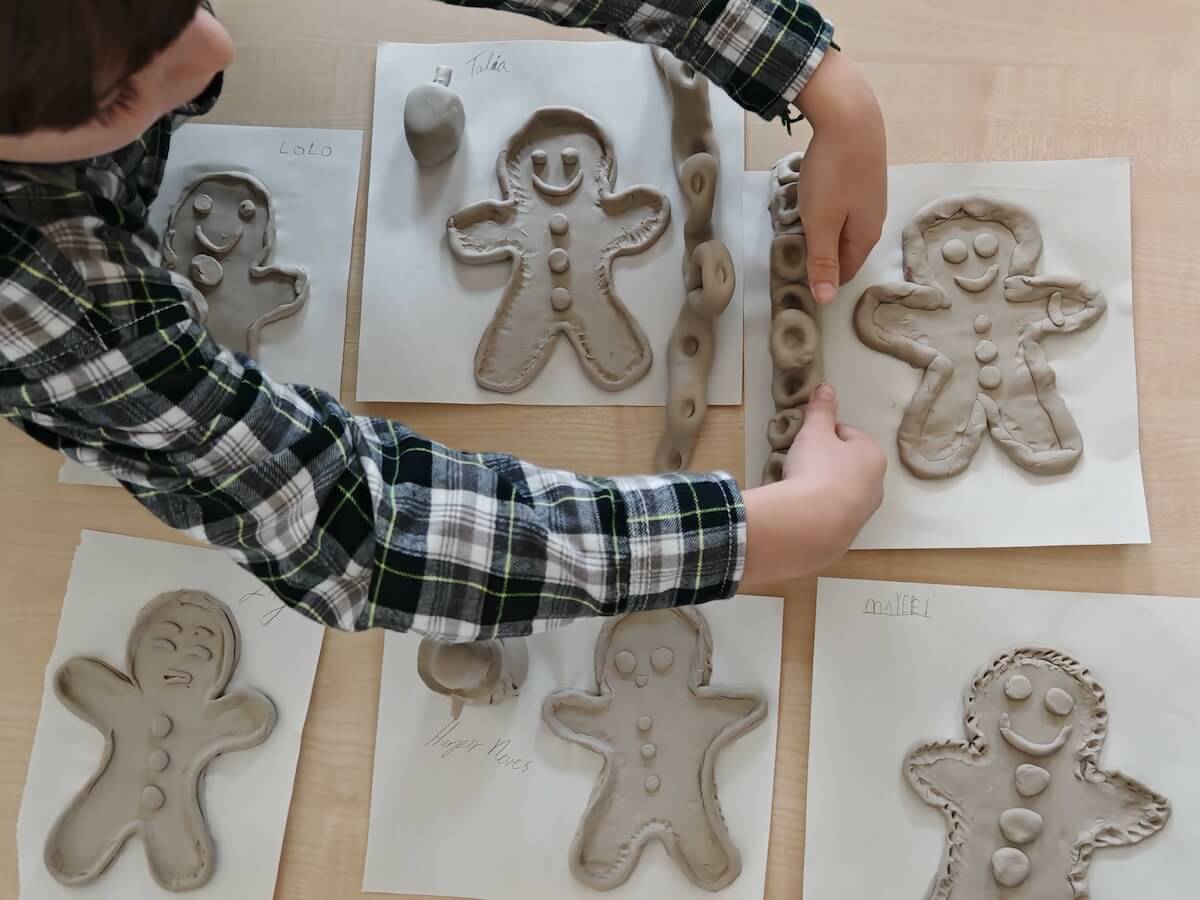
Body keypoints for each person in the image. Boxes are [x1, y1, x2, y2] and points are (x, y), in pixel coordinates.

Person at [0, 1, 886, 639]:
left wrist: (811, 74)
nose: (216, 48)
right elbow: (352, 526)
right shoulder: (34, 292)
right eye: (114, 93)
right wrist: (749, 538)